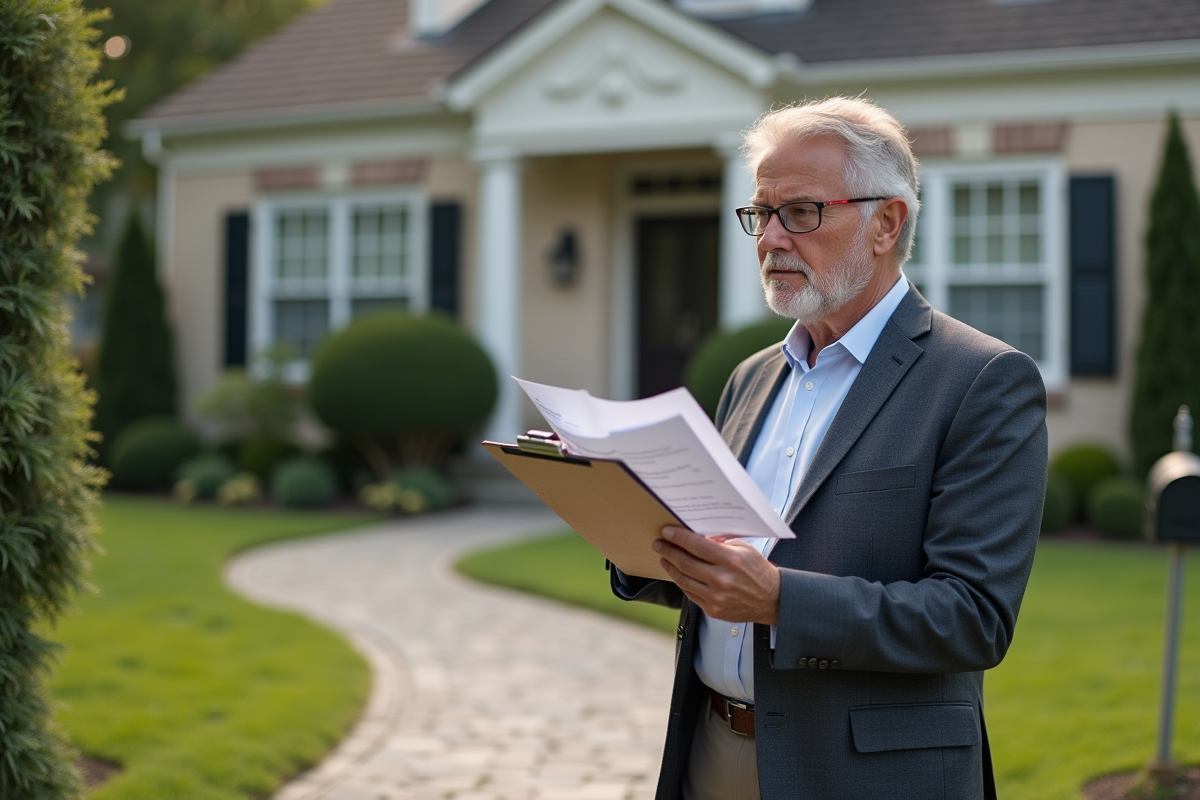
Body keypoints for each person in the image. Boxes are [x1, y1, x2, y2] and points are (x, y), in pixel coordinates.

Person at [609, 97, 1047, 800]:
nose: (771, 239)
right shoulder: (752, 377)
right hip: (710, 748)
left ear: (886, 223)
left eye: (801, 212)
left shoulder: (982, 380)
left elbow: (972, 618)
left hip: (866, 773)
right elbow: (724, 563)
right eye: (761, 213)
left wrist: (780, 599)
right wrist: (630, 534)